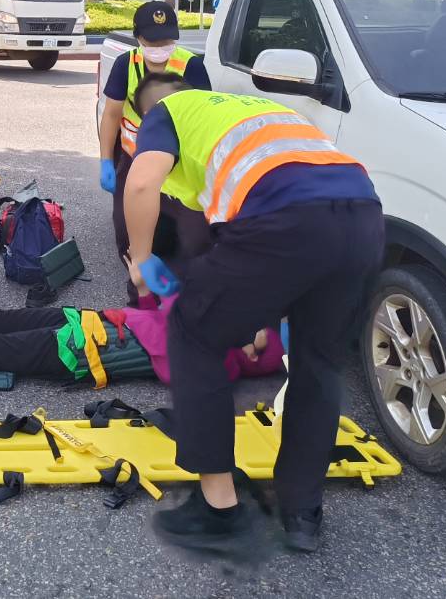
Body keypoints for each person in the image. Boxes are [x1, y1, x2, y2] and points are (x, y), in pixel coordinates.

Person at [122, 71, 384, 555]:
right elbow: (249, 248)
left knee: (192, 331)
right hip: (363, 217)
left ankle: (218, 506)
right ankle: (302, 512)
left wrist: (141, 260)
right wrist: (256, 319)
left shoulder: (167, 113)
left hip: (285, 219)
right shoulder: (258, 113)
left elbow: (141, 186)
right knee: (318, 362)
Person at [0, 290, 285, 389]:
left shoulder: (220, 365)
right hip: (97, 322)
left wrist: (250, 341)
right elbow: (166, 304)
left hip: (86, 352)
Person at [97, 0, 211, 300]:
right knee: (128, 233)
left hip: (178, 167)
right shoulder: (126, 64)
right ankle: (140, 297)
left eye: (167, 41)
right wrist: (106, 161)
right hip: (133, 160)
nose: (161, 48)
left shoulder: (191, 66)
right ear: (137, 37)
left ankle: (180, 298)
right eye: (152, 42)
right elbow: (111, 115)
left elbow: (202, 120)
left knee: (189, 234)